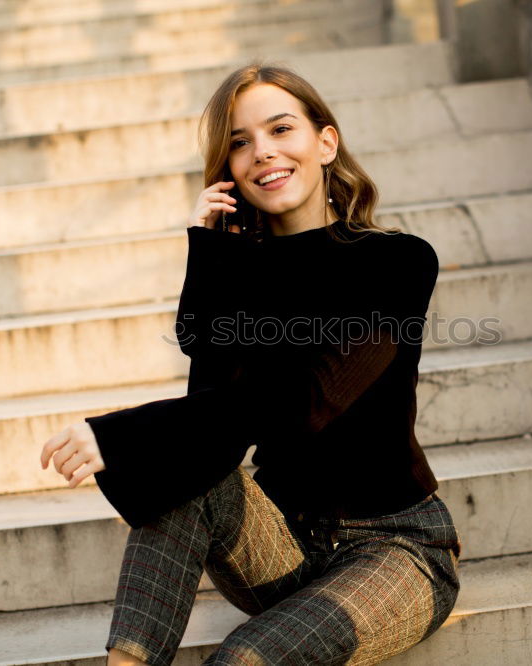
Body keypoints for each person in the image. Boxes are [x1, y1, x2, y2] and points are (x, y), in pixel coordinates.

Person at [39, 61, 462, 665]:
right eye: (240, 142)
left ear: (325, 141)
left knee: (243, 661)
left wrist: (124, 434)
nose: (262, 152)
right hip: (283, 548)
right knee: (184, 473)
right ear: (230, 170)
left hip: (397, 551)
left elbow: (305, 404)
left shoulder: (397, 263)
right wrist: (211, 258)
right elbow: (208, 429)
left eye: (280, 129)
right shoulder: (239, 272)